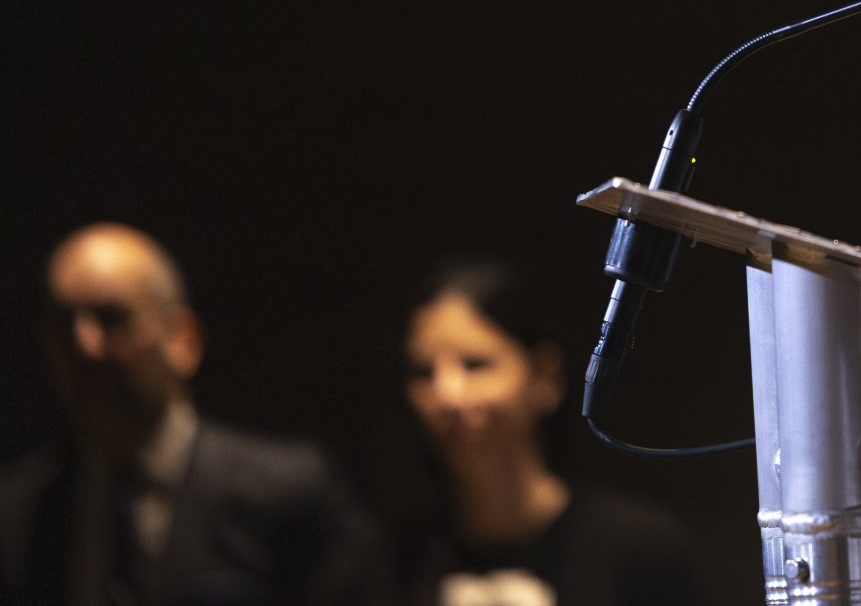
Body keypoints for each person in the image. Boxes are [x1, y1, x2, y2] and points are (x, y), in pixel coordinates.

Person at [0, 222, 391, 606]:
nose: (85, 345)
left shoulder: (290, 496)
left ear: (182, 339)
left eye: (111, 317)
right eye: (63, 322)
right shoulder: (19, 514)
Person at [392, 259, 706, 606]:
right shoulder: (397, 560)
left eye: (475, 364)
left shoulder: (640, 552)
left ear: (545, 377)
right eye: (424, 372)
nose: (447, 395)